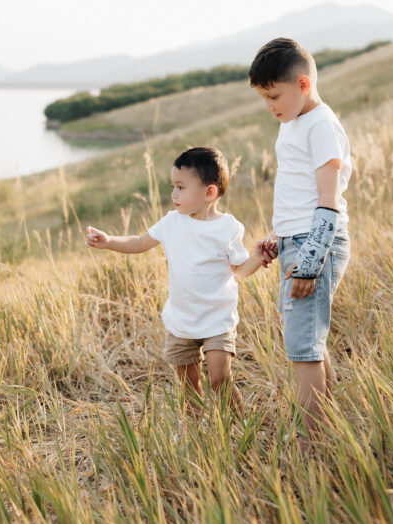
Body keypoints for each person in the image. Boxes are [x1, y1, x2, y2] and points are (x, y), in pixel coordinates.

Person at [86, 146, 268, 417]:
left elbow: (239, 271)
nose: (173, 195)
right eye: (173, 186)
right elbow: (139, 242)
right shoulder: (172, 222)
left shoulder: (228, 227)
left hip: (217, 319)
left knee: (219, 379)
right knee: (189, 384)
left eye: (181, 187)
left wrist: (258, 256)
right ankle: (197, 433)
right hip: (181, 320)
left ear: (209, 192)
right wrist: (109, 241)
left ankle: (239, 426)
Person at [249, 37, 351, 442]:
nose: (271, 106)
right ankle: (326, 430)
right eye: (264, 98)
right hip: (299, 238)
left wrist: (309, 259)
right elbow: (299, 193)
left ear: (304, 85)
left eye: (275, 95)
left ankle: (316, 442)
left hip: (317, 242)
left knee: (302, 345)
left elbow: (329, 202)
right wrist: (281, 235)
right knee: (309, 339)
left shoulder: (321, 125)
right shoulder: (294, 123)